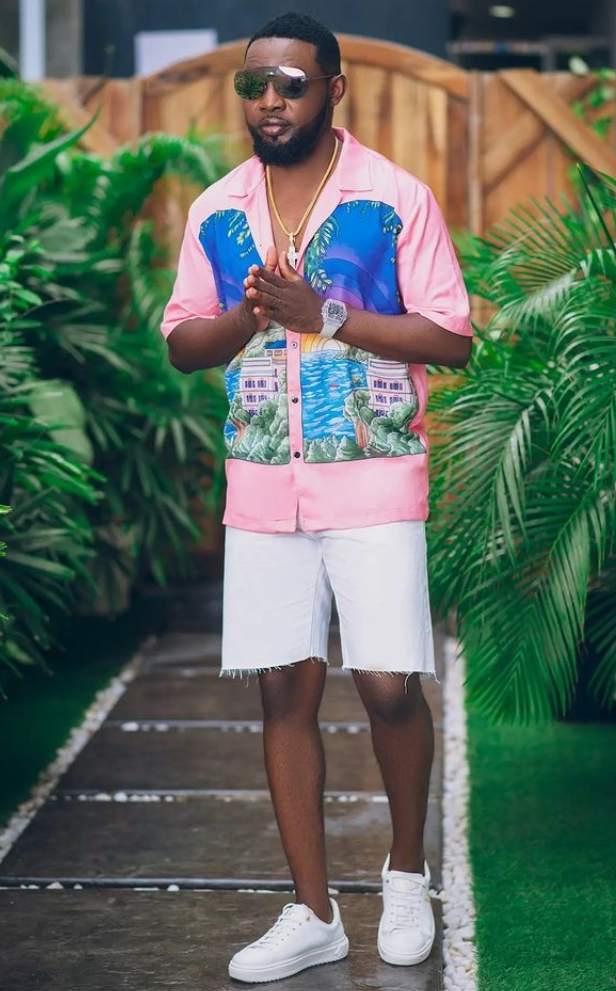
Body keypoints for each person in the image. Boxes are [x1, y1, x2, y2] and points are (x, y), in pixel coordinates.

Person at [160, 11, 473, 984]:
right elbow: (182, 342)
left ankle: (407, 876)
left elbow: (452, 337)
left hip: (373, 475)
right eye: (254, 84)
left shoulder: (395, 198)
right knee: (283, 688)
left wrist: (325, 313)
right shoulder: (216, 209)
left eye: (291, 84)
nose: (270, 101)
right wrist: (248, 315)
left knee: (387, 683)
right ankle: (313, 911)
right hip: (262, 483)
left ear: (332, 89)